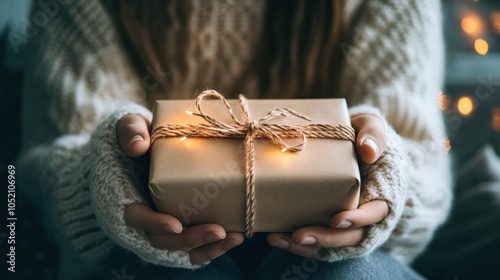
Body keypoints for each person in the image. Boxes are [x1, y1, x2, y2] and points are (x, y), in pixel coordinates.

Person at [17, 0, 451, 279]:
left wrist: (389, 177)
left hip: (336, 258)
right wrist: (100, 176)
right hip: (146, 252)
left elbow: (420, 157)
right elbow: (40, 166)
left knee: (353, 276)